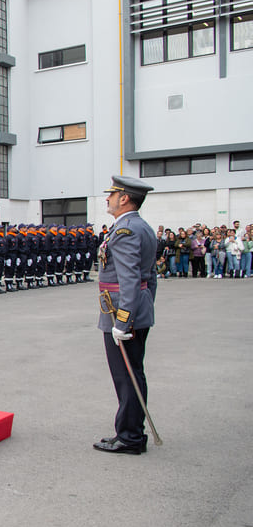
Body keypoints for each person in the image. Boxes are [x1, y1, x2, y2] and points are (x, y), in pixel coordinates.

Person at [94, 175, 157, 455]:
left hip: (121, 311)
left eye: (112, 194)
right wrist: (143, 306)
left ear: (125, 198)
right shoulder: (141, 227)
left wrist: (123, 320)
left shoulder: (126, 231)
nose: (107, 198)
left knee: (126, 376)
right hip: (135, 308)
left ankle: (130, 436)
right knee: (134, 373)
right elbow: (150, 278)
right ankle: (132, 431)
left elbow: (130, 279)